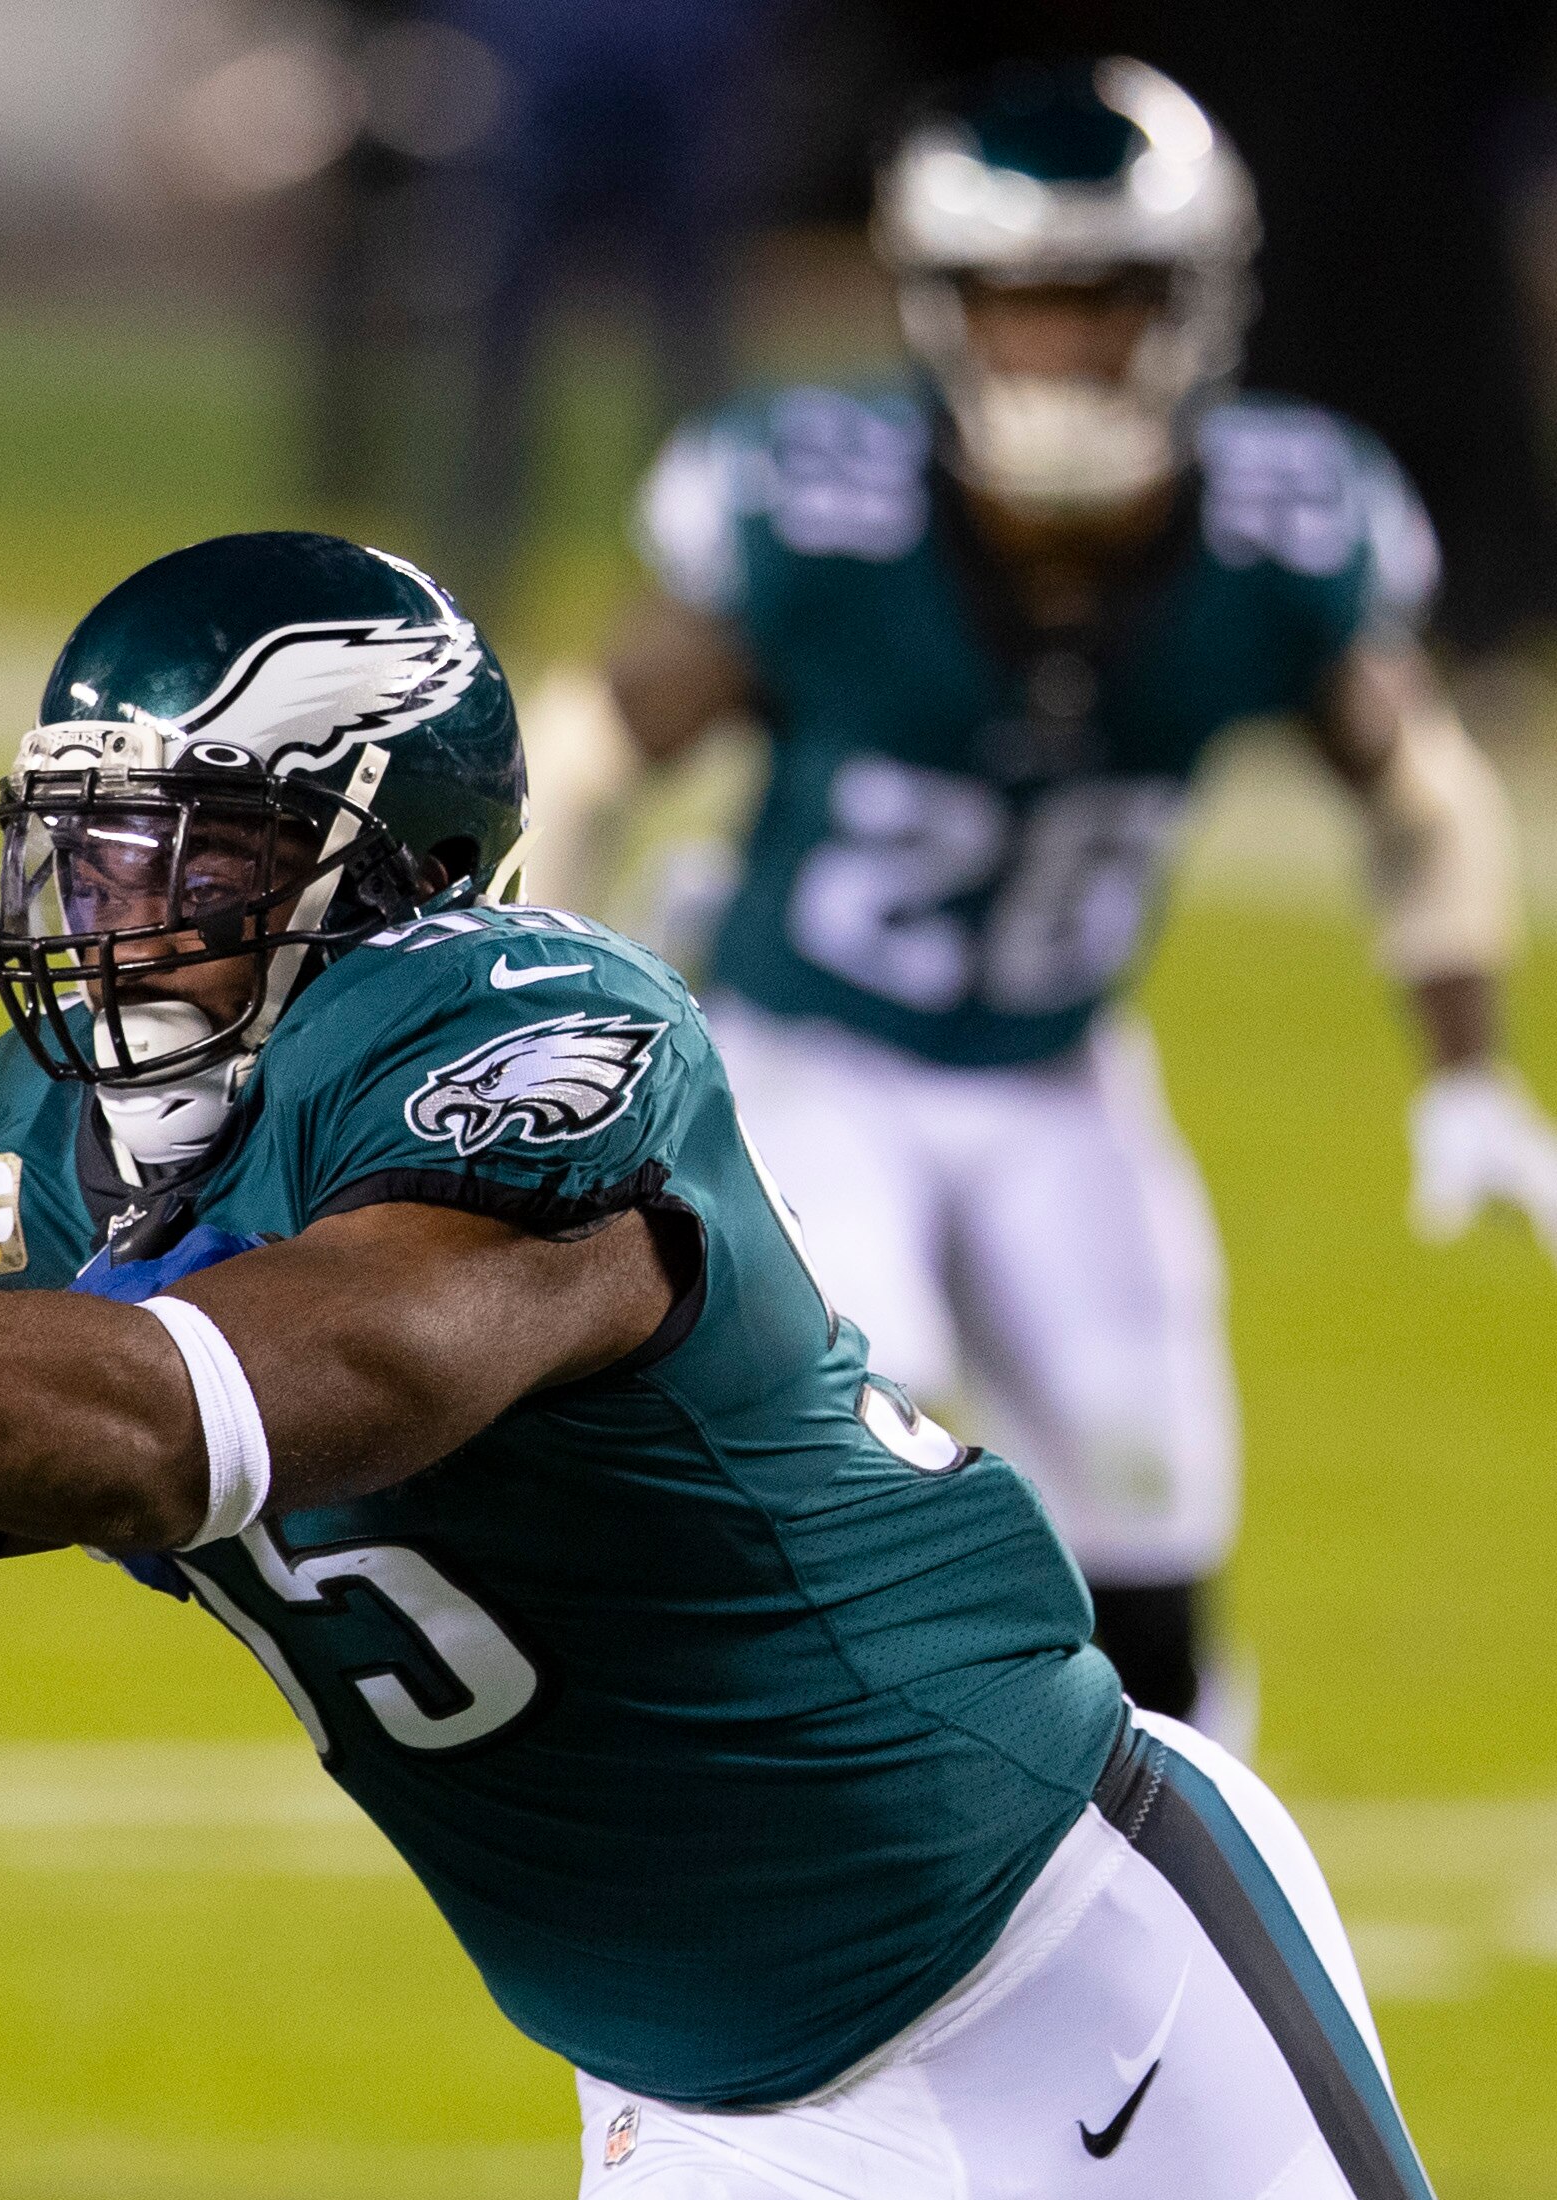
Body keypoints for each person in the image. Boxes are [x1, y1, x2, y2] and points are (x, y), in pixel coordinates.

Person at [0, 530, 1496, 2200]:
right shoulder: (34, 1150)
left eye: (196, 851)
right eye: (95, 844)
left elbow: (196, 1414)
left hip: (1065, 1965)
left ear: (374, 874)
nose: (119, 911)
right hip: (712, 2122)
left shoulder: (530, 1046)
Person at [510, 58, 1557, 1729]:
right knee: (870, 1464)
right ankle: (859, 1890)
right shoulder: (818, 496)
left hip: (1058, 1073)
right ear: (941, 309)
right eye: (1022, 304)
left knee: (1150, 1546)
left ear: (1195, 307)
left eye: (1107, 302)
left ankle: (1191, 1920)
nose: (1062, 347)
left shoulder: (1285, 520)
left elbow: (1425, 793)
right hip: (809, 1054)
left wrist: (1463, 1059)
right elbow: (583, 750)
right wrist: (552, 1010)